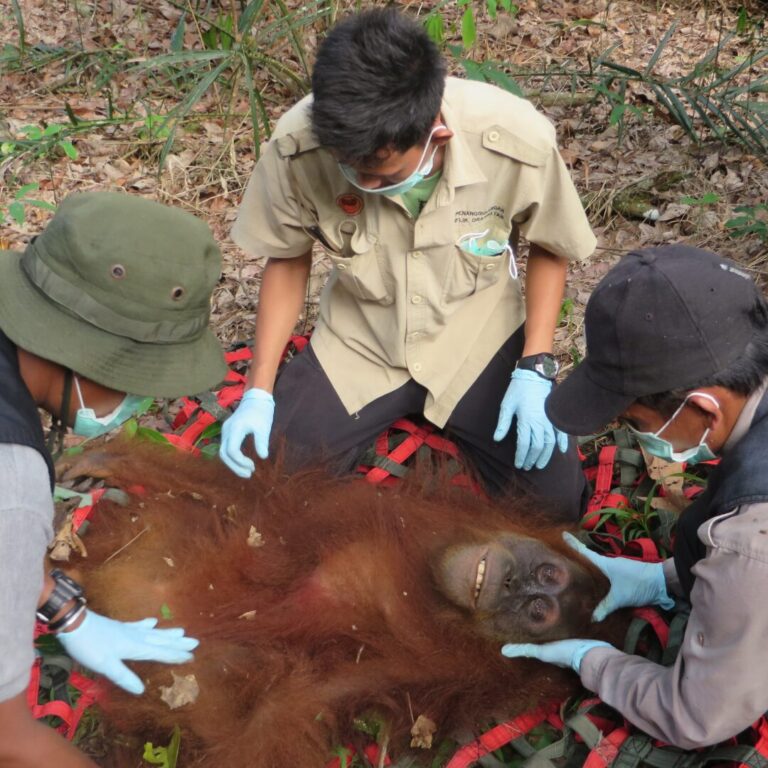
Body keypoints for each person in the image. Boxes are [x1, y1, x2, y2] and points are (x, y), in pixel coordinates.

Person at [220, 8, 596, 518]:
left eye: (379, 175)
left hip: (476, 337)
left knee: (555, 506)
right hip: (361, 341)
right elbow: (287, 259)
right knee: (263, 483)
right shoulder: (298, 145)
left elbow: (551, 245)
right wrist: (259, 392)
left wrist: (535, 367)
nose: (361, 185)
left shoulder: (515, 140)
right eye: (348, 171)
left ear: (435, 136)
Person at [502, 244, 768, 748]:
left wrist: (592, 661)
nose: (632, 433)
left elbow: (694, 718)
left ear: (704, 410)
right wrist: (661, 580)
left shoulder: (750, 541)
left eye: (634, 422)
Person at [0, 191, 227, 767]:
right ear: (86, 353)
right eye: (137, 380)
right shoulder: (14, 480)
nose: (140, 401)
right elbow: (9, 741)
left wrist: (61, 606)